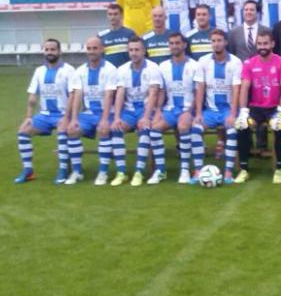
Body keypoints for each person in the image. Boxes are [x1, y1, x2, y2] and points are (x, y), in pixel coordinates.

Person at [14, 39, 76, 184]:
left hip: (62, 114)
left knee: (62, 130)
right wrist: (28, 117)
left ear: (59, 51)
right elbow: (32, 96)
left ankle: (63, 170)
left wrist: (68, 117)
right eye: (47, 50)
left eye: (53, 49)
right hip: (45, 115)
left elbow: (74, 95)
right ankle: (28, 170)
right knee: (23, 131)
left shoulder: (68, 70)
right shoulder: (39, 71)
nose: (49, 52)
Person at [234, 30, 281, 184]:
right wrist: (243, 111)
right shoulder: (249, 63)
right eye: (259, 44)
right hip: (256, 109)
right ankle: (244, 169)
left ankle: (279, 169)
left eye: (266, 43)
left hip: (274, 109)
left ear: (272, 44)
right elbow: (244, 88)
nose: (262, 46)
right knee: (243, 125)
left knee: (279, 126)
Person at [149, 32, 200, 185]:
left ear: (184, 45)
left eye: (177, 43)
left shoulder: (194, 66)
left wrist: (189, 112)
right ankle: (161, 170)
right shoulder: (163, 66)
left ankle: (184, 169)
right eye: (171, 43)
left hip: (187, 108)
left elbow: (198, 92)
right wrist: (158, 111)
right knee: (154, 129)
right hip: (170, 109)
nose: (174, 46)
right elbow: (162, 91)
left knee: (183, 126)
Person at [110, 36, 162, 187]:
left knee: (145, 128)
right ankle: (121, 172)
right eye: (131, 50)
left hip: (146, 109)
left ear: (144, 51)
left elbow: (154, 93)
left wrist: (146, 117)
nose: (134, 53)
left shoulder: (153, 68)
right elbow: (120, 94)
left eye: (137, 50)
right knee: (116, 129)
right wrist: (117, 117)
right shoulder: (122, 69)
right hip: (129, 110)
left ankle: (139, 171)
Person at [193, 29, 242, 184]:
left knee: (233, 129)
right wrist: (199, 113)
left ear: (225, 42)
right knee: (195, 129)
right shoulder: (203, 61)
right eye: (213, 41)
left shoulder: (235, 62)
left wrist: (233, 114)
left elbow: (236, 90)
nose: (216, 43)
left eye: (219, 40)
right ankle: (198, 170)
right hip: (211, 111)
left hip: (228, 109)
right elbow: (200, 88)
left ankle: (228, 171)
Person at [67, 37, 118, 185]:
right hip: (88, 113)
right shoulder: (81, 71)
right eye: (89, 49)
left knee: (103, 130)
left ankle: (103, 172)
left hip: (107, 112)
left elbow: (109, 95)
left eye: (95, 48)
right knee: (72, 130)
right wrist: (75, 119)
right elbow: (77, 95)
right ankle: (77, 171)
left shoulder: (110, 69)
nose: (92, 52)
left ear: (102, 49)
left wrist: (104, 118)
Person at [98, 3, 136, 68]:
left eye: (115, 14)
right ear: (107, 16)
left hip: (126, 72)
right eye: (110, 14)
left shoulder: (130, 33)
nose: (112, 17)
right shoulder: (101, 36)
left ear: (121, 15)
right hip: (108, 73)